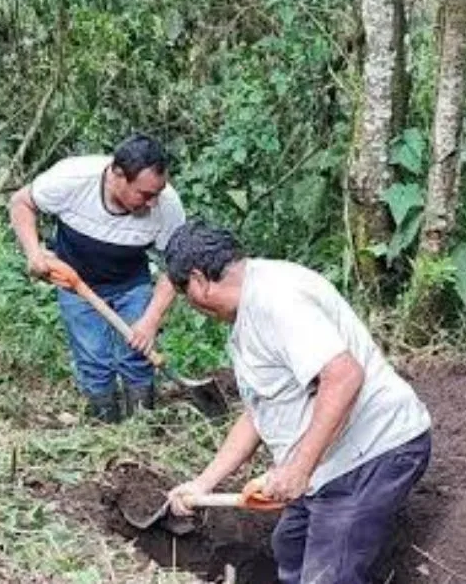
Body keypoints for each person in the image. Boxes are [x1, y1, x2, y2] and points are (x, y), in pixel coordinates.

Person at [162, 220, 432, 584]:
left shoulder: (277, 300)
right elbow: (260, 411)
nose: (194, 307)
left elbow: (344, 375)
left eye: (186, 297)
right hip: (331, 462)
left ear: (197, 281)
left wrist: (298, 469)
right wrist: (203, 483)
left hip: (372, 451)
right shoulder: (251, 309)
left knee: (329, 575)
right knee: (289, 547)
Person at [8, 134, 185, 422]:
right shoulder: (72, 178)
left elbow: (176, 265)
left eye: (157, 193)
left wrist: (150, 320)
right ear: (117, 175)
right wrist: (34, 253)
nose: (153, 203)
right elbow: (21, 202)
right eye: (144, 194)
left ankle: (143, 426)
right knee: (93, 358)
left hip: (132, 284)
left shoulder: (167, 205)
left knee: (138, 356)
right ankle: (105, 428)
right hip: (75, 285)